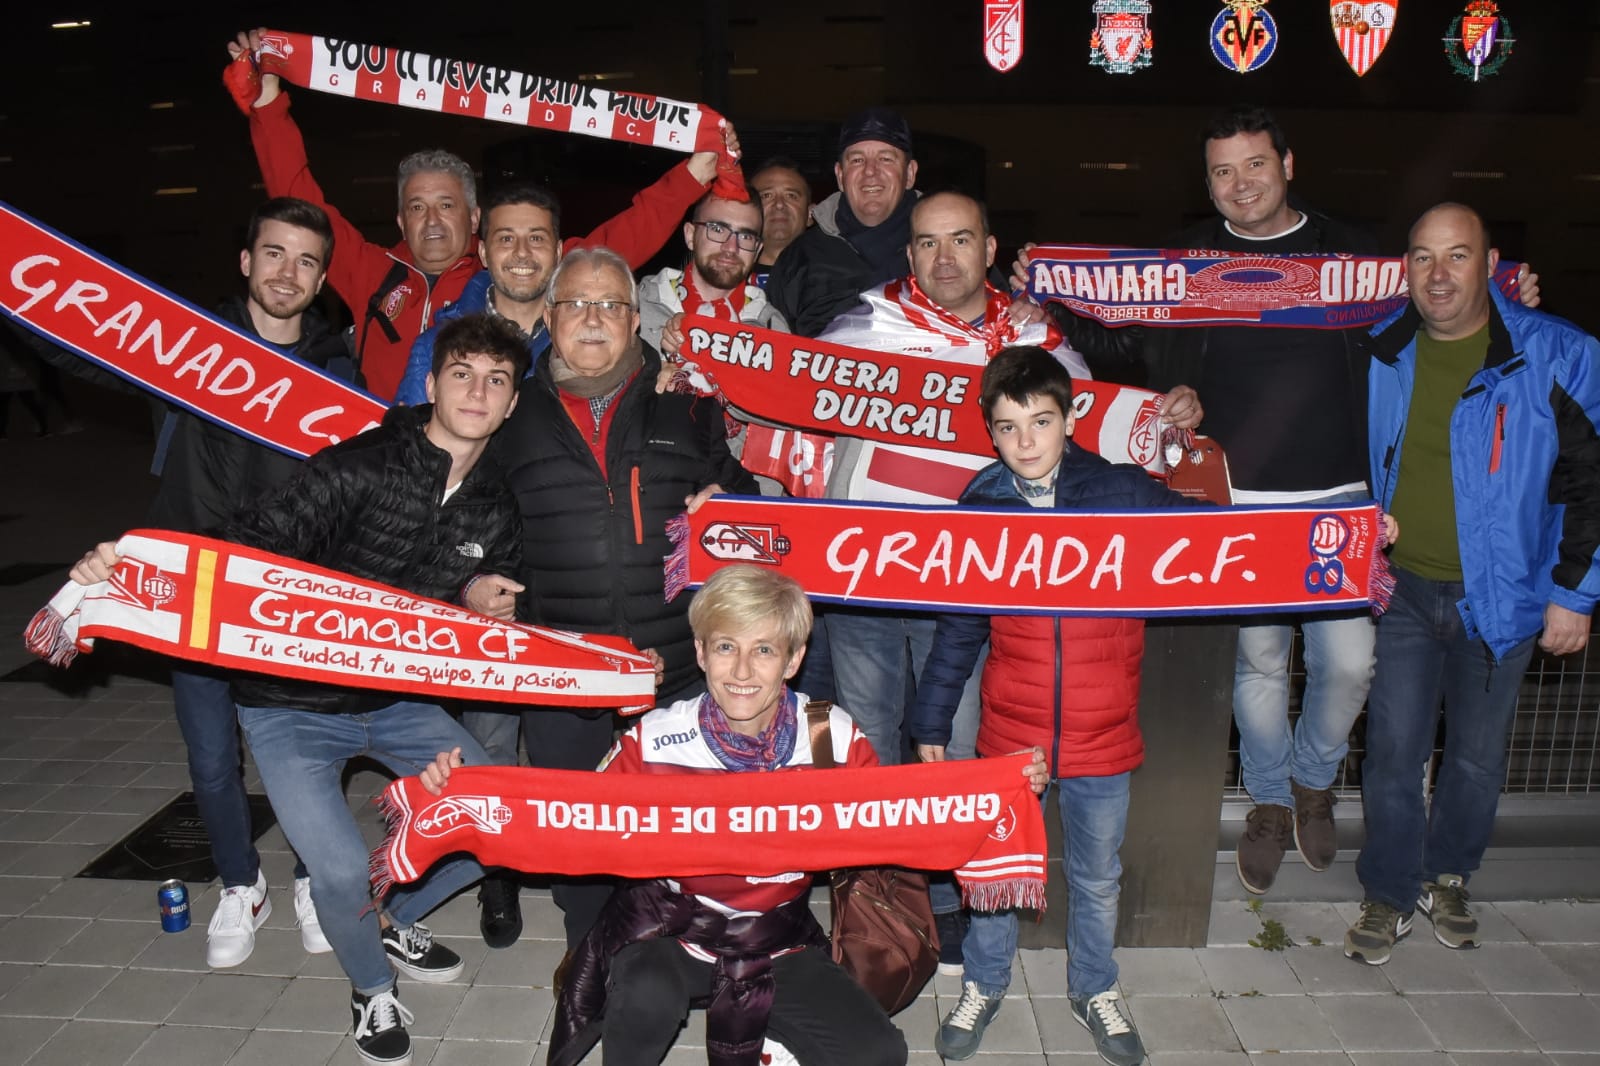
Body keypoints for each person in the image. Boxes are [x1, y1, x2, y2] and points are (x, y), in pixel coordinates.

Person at [71, 312, 530, 1065]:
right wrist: (128, 561)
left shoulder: (495, 503)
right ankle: (371, 985)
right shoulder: (361, 467)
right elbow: (244, 544)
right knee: (340, 870)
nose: (477, 391)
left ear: (511, 403)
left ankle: (386, 918)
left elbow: (489, 599)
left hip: (395, 700)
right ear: (431, 383)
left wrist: (478, 593)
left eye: (496, 380)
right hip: (289, 708)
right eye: (462, 374)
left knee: (502, 822)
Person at [817, 189, 1093, 975]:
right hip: (864, 578)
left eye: (961, 240)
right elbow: (781, 391)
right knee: (869, 745)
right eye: (928, 243)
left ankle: (953, 894)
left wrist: (1165, 419)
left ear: (989, 248)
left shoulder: (1033, 338)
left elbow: (1096, 422)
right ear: (909, 254)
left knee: (961, 749)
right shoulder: (864, 325)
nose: (944, 258)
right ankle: (879, 902)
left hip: (969, 588)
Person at [470, 246, 757, 949]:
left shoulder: (687, 405)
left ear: (635, 319)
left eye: (610, 305)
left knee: (680, 831)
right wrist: (472, 583)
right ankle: (592, 960)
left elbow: (744, 502)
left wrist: (732, 503)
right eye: (576, 304)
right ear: (549, 317)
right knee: (580, 835)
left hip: (674, 669)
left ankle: (683, 954)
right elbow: (472, 526)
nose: (593, 319)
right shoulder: (510, 416)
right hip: (563, 674)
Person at [911, 346, 1187, 1065]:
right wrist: (931, 719)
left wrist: (1346, 535)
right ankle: (984, 983)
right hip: (1011, 731)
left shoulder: (1122, 491)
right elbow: (960, 626)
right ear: (990, 431)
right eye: (1008, 427)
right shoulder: (982, 505)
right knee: (997, 873)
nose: (1026, 441)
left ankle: (1095, 987)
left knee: (1097, 878)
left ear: (1069, 418)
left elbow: (1226, 539)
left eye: (1040, 421)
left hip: (1105, 729)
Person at [1344, 204, 1600, 965]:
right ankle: (1390, 891)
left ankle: (1448, 874)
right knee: (1393, 752)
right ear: (1405, 268)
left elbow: (1591, 485)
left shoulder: (1559, 354)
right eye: (1423, 256)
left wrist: (1574, 595)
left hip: (1507, 597)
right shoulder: (1379, 350)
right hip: (1402, 591)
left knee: (1478, 757)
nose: (1438, 275)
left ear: (1492, 266)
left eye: (1458, 256)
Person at [224, 28, 733, 400]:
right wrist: (268, 107)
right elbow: (303, 211)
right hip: (380, 462)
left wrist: (694, 174)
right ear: (400, 221)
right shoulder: (371, 274)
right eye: (417, 207)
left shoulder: (509, 270)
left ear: (473, 219)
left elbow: (623, 239)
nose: (432, 220)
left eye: (446, 205)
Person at [143, 197, 347, 968]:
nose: (287, 272)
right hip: (195, 588)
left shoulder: (336, 371)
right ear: (245, 261)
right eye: (273, 253)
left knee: (301, 752)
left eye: (305, 260)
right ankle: (240, 882)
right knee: (209, 758)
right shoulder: (190, 346)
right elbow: (83, 345)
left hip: (285, 598)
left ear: (321, 279)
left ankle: (310, 878)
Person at [766, 107, 919, 337]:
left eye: (886, 159)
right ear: (840, 175)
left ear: (910, 174)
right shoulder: (800, 258)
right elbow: (770, 346)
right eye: (857, 160)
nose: (870, 171)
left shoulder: (942, 249)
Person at [750, 157, 812, 289]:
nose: (779, 204)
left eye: (791, 196)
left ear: (810, 214)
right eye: (766, 196)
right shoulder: (722, 280)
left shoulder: (834, 279)